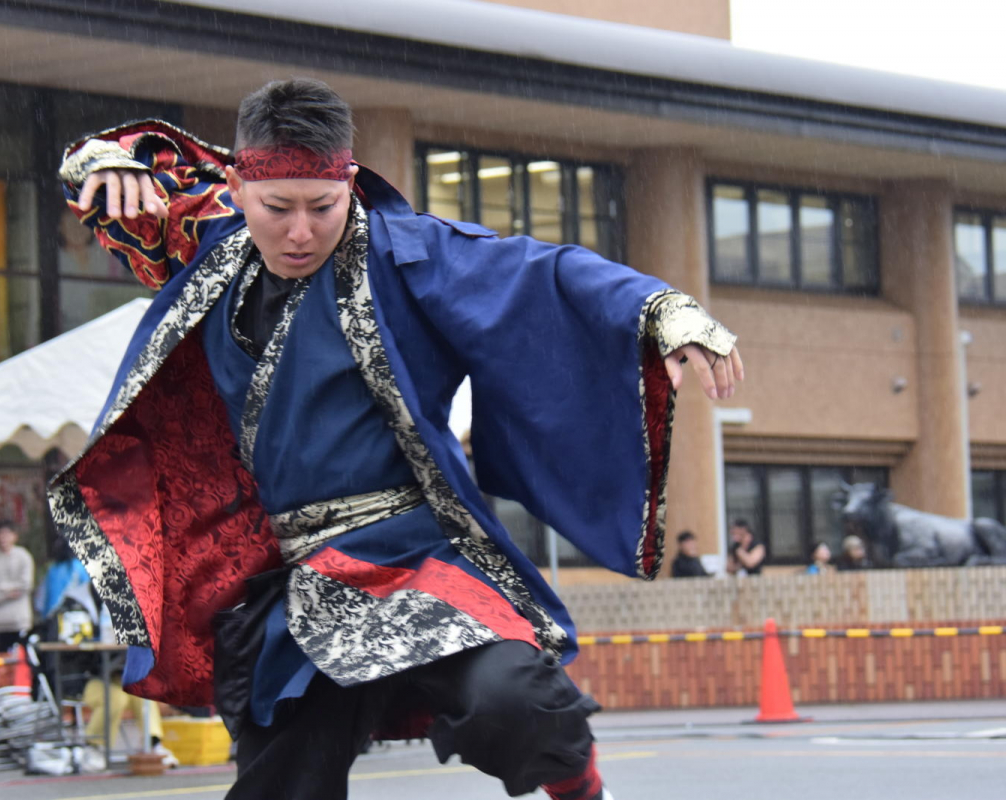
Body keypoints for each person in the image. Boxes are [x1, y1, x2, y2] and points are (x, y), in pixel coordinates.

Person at [48, 78, 743, 800]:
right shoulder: (211, 244)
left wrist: (659, 311)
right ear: (236, 188)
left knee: (516, 698)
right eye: (276, 208)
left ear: (348, 181)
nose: (299, 232)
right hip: (289, 580)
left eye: (322, 207)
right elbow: (124, 174)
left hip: (414, 553)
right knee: (281, 779)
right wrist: (102, 160)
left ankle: (581, 786)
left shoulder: (409, 255)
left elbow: (541, 273)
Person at [0, 519, 35, 654]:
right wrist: (9, 592)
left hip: (19, 621)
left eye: (7, 534)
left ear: (15, 536)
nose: (3, 537)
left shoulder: (23, 556)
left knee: (21, 659)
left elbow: (26, 585)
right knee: (0, 660)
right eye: (0, 534)